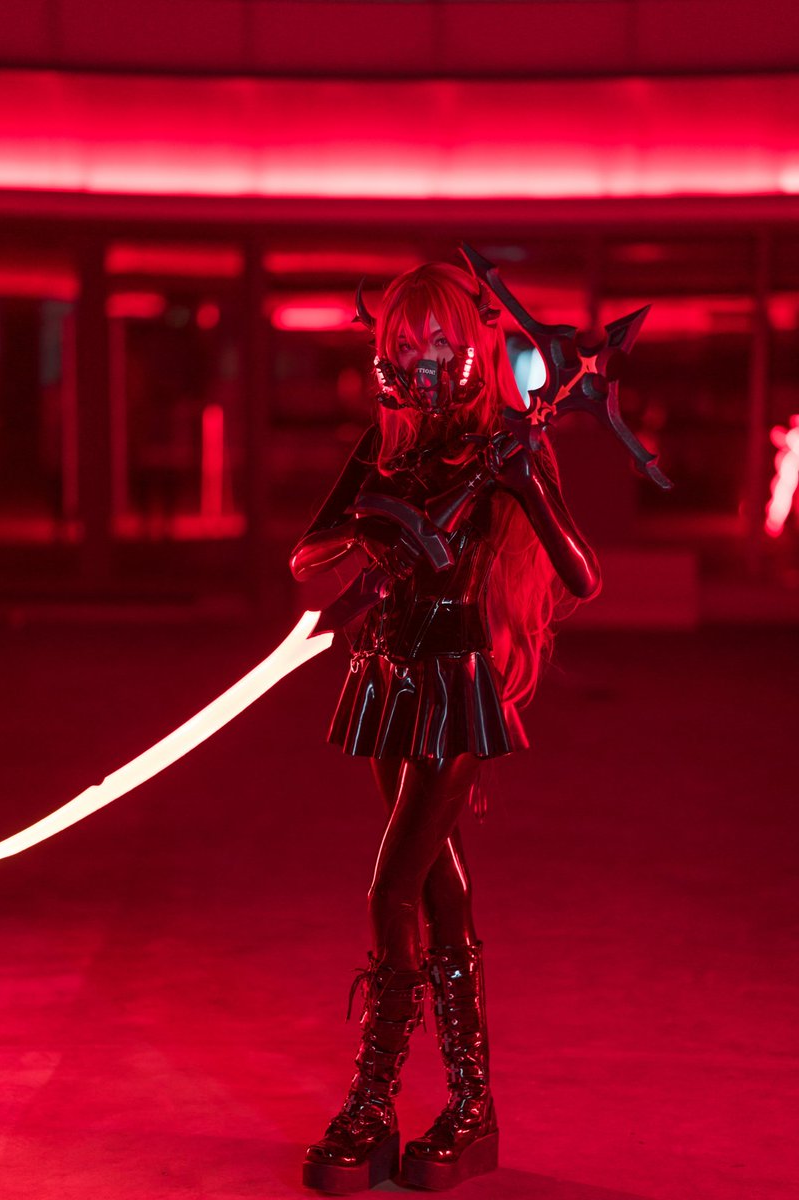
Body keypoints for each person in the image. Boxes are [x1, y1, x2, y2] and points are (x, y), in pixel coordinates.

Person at [290, 261, 600, 1194]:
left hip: (456, 681)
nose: (421, 358)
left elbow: (583, 578)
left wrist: (527, 486)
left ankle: (371, 1101)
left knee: (392, 888)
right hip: (384, 677)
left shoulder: (500, 446)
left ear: (466, 344)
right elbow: (305, 556)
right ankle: (472, 1107)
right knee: (439, 884)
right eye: (404, 343)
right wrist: (370, 531)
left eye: (436, 340)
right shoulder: (383, 449)